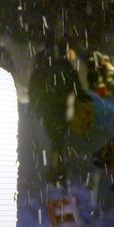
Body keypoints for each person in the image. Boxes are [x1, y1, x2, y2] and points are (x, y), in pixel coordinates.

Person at [28, 41, 82, 186]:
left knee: (53, 139)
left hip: (49, 108)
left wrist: (35, 106)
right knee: (59, 140)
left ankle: (54, 169)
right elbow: (76, 87)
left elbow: (34, 88)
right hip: (62, 108)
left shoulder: (44, 66)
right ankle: (59, 169)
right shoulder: (65, 67)